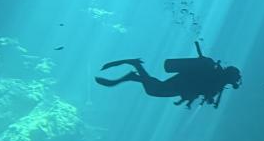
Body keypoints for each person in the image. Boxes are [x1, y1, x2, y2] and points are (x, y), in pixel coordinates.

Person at [95, 41, 241, 108]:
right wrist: (188, 100)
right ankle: (134, 68)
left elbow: (202, 92)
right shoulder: (216, 82)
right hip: (182, 85)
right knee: (155, 90)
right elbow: (203, 93)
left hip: (182, 82)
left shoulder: (215, 77)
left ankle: (133, 74)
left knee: (156, 87)